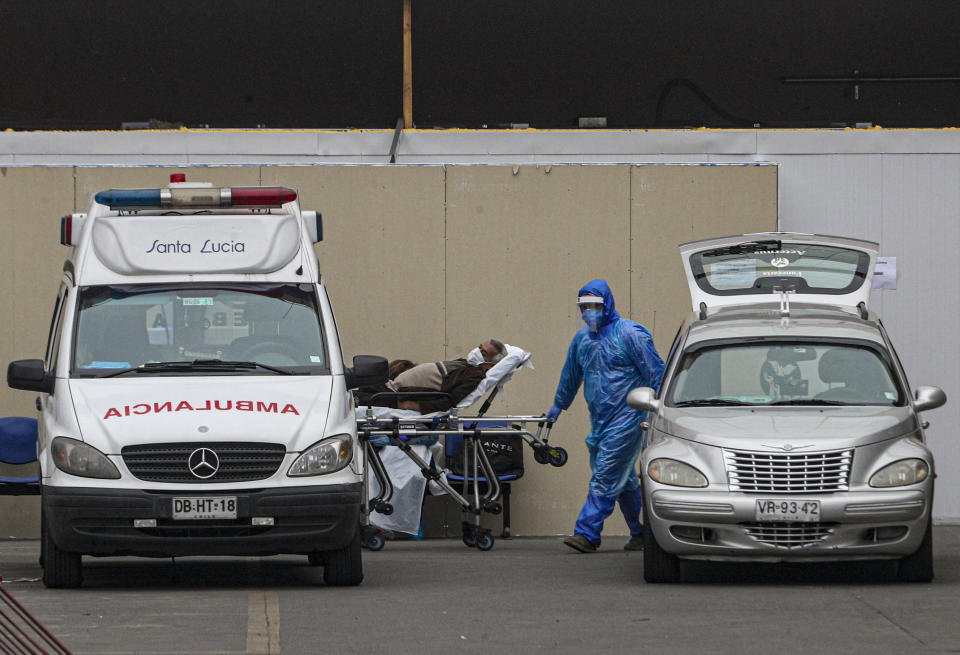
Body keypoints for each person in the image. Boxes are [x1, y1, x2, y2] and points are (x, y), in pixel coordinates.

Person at [546, 279, 664, 553]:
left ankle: (587, 533)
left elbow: (655, 372)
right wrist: (558, 404)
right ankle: (641, 532)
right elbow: (571, 375)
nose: (589, 311)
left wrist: (659, 408)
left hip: (629, 416)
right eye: (584, 306)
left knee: (606, 472)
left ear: (607, 304)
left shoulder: (630, 334)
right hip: (600, 419)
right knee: (623, 477)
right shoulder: (582, 339)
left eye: (594, 306)